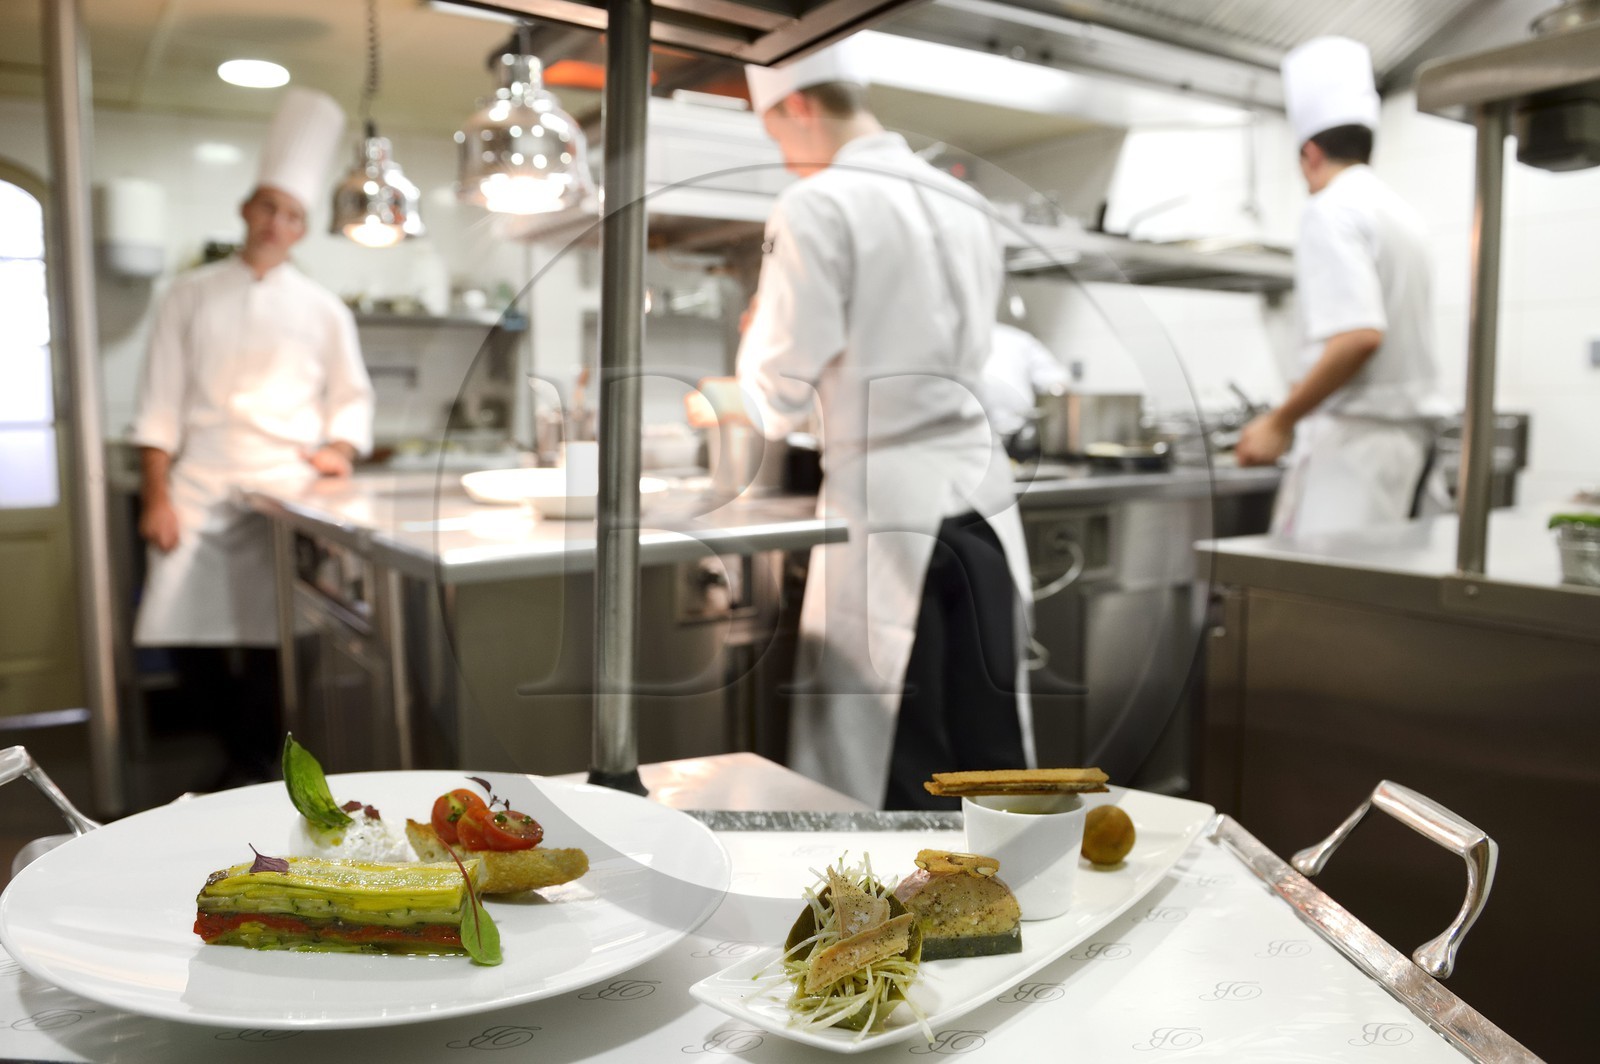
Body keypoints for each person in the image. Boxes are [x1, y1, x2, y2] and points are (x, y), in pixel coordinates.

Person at [734, 41, 1034, 809]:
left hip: (888, 508)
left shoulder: (819, 202)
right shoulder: (965, 201)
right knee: (987, 748)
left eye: (773, 134)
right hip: (983, 504)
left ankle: (899, 927)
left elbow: (781, 389)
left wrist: (752, 353)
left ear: (795, 106)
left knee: (893, 760)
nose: (785, 157)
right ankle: (1011, 917)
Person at [130, 88, 375, 786]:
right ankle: (237, 751)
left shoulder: (323, 309)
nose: (277, 222)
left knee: (279, 643)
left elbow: (352, 398)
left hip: (284, 491)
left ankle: (256, 761)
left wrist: (341, 449)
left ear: (303, 230)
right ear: (246, 210)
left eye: (292, 214)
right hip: (199, 485)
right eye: (268, 206)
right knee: (179, 632)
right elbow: (158, 404)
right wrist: (156, 497)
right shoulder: (188, 294)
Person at [1235, 36, 1449, 537]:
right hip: (1404, 446)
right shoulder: (1399, 212)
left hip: (1359, 449)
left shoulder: (1331, 210)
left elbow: (1358, 336)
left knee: (1330, 607)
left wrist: (1278, 421)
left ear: (1310, 153)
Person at [982, 320, 1071, 458]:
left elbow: (1056, 380)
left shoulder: (1017, 339)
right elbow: (1057, 381)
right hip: (980, 438)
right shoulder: (1017, 337)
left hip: (1013, 437)